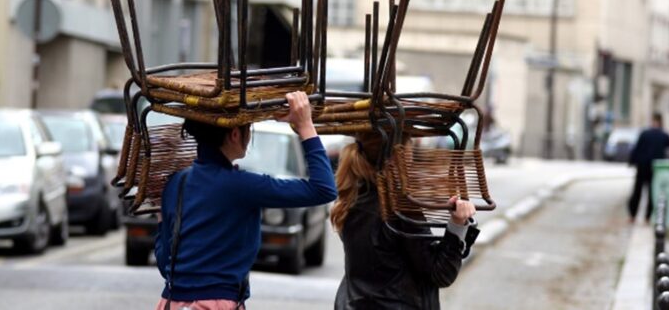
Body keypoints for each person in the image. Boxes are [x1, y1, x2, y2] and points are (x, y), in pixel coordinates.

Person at [154, 91, 337, 310]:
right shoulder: (242, 185)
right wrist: (305, 126)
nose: (249, 136)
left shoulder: (177, 183)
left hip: (171, 302)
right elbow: (323, 189)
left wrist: (160, 222)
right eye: (248, 129)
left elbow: (165, 261)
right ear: (234, 134)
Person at [332, 133, 479, 309]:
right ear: (398, 156)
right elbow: (440, 273)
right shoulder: (400, 207)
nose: (412, 156)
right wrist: (457, 225)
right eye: (409, 149)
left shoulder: (349, 198)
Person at [628, 112, 669, 222]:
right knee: (652, 192)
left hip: (642, 166)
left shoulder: (645, 133)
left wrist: (632, 162)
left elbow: (636, 149)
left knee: (638, 191)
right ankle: (647, 216)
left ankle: (633, 215)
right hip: (655, 167)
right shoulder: (663, 135)